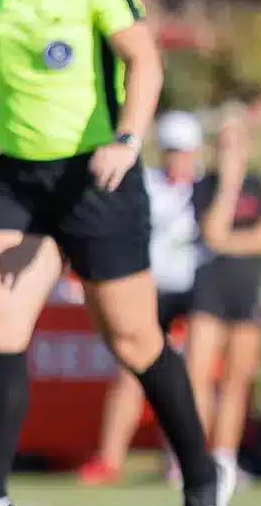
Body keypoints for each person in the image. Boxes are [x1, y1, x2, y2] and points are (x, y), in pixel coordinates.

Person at [0, 0, 226, 506]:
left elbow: (145, 62)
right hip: (20, 180)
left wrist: (129, 139)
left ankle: (201, 475)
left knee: (134, 339)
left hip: (97, 181)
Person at [80, 109, 205, 485]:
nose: (178, 159)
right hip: (152, 288)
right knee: (132, 371)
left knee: (194, 373)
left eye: (184, 151)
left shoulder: (205, 188)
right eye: (172, 151)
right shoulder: (147, 185)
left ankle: (184, 459)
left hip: (195, 291)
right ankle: (109, 457)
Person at [188, 110, 261, 495]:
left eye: (237, 141)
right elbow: (209, 232)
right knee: (198, 373)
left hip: (246, 289)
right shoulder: (206, 186)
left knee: (237, 379)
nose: (231, 149)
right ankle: (193, 456)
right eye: (224, 142)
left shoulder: (259, 185)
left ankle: (224, 457)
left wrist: (228, 241)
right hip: (210, 288)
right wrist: (228, 183)